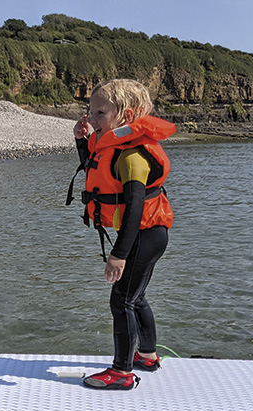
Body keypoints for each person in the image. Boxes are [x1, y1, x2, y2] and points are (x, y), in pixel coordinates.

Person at [69, 79, 176, 390]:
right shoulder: (113, 147)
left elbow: (134, 208)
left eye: (100, 113)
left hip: (144, 234)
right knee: (136, 297)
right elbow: (97, 175)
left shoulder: (132, 156)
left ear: (127, 116)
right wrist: (82, 141)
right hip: (148, 234)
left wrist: (119, 255)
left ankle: (122, 372)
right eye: (90, 111)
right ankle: (148, 355)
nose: (91, 119)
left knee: (122, 301)